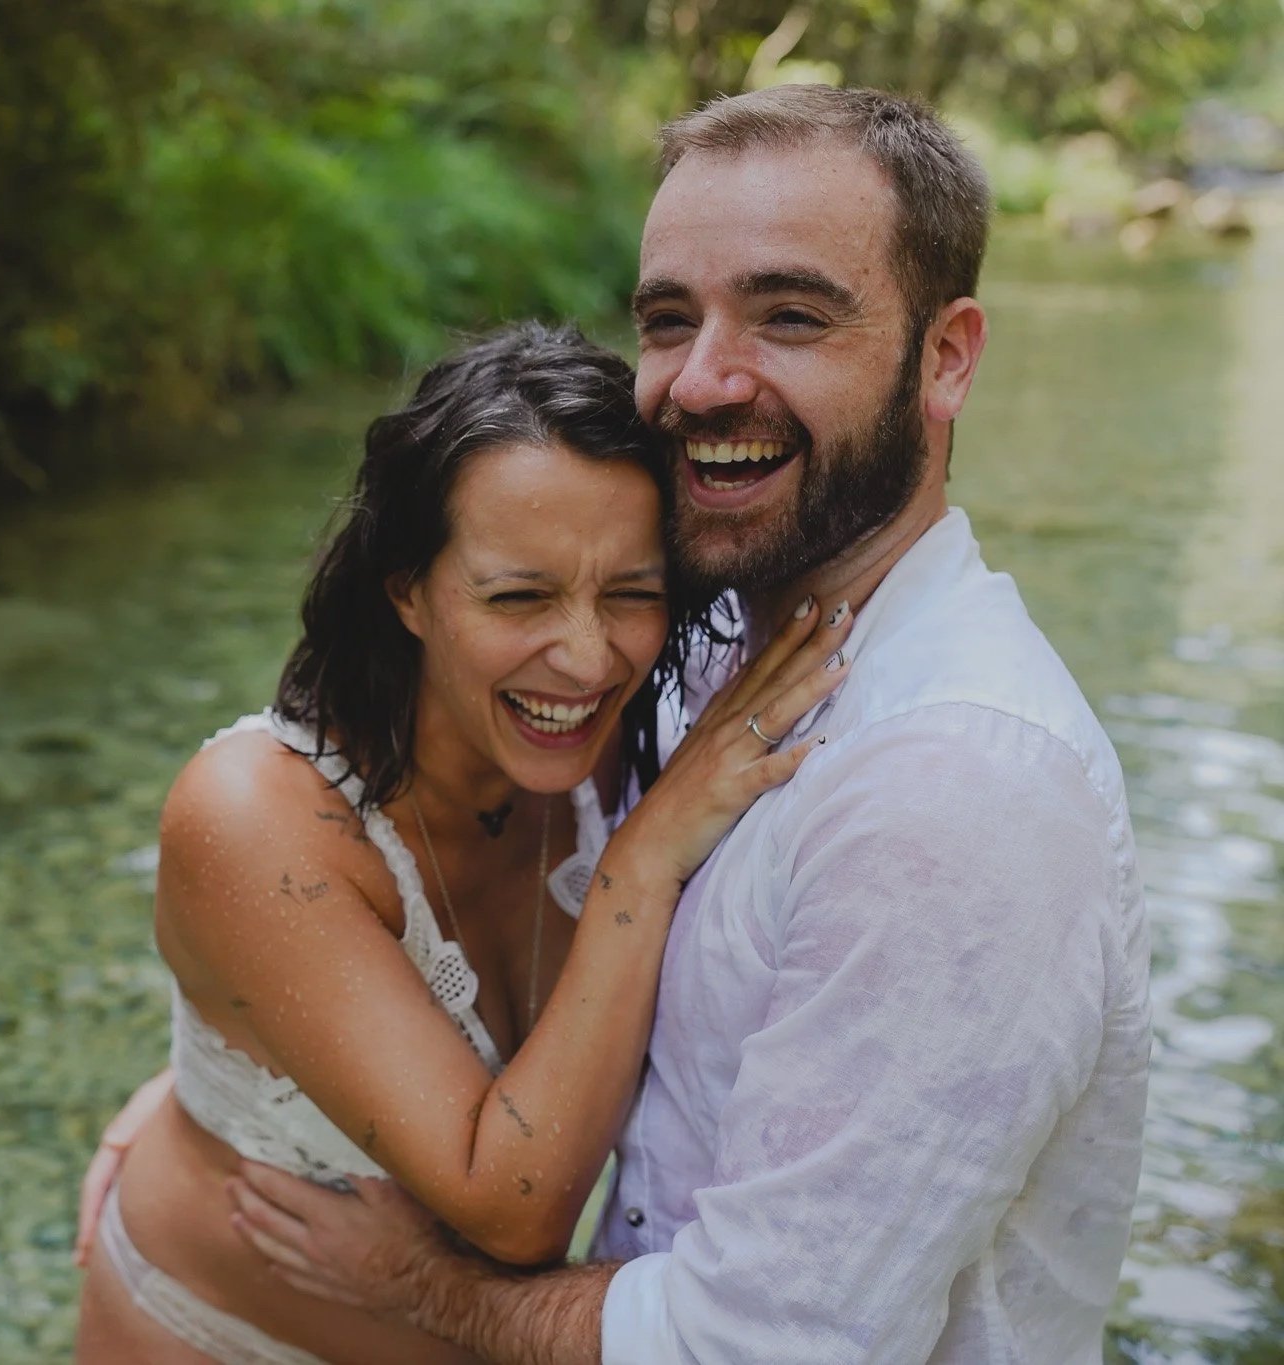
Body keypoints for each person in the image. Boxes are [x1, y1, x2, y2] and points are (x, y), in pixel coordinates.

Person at [216, 85, 1153, 1364]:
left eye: (787, 316)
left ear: (945, 357)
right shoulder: (705, 629)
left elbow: (754, 1346)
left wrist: (419, 1292)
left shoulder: (948, 789)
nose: (702, 381)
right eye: (669, 319)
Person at [72, 321, 856, 1364]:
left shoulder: (612, 735)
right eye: (516, 596)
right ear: (407, 588)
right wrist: (639, 860)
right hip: (214, 1336)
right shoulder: (253, 810)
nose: (584, 659)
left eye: (631, 592)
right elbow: (515, 1207)